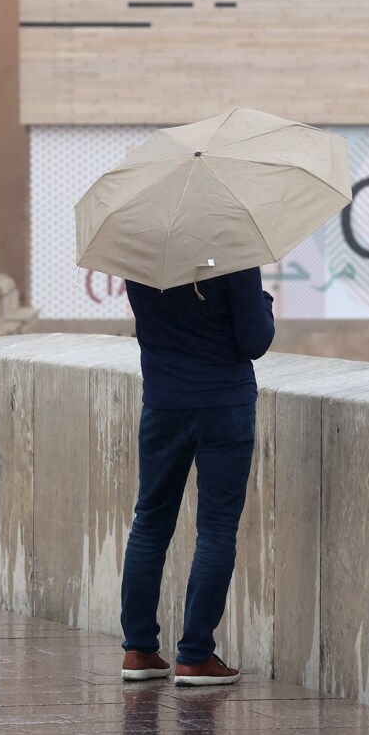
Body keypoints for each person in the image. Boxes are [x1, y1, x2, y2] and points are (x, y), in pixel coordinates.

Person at [118, 267, 275, 686]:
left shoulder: (141, 254)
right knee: (216, 530)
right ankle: (195, 655)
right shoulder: (231, 252)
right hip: (225, 406)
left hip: (163, 405)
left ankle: (138, 651)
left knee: (149, 522)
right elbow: (255, 341)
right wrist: (264, 302)